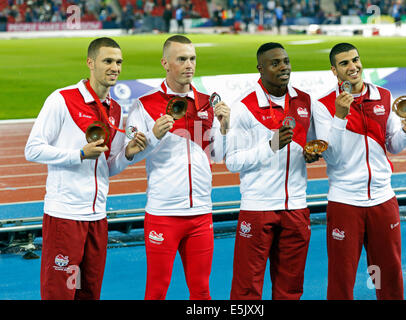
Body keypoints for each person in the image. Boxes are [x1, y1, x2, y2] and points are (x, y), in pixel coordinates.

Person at [24, 37, 147, 300]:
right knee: (60, 293)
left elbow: (107, 167)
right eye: (108, 61)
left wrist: (127, 154)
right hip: (65, 215)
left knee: (88, 292)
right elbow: (32, 149)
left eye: (118, 62)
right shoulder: (62, 99)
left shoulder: (114, 109)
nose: (115, 67)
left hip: (97, 217)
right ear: (90, 63)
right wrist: (78, 154)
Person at [116, 35, 230, 300]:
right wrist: (155, 134)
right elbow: (129, 154)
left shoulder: (207, 103)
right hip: (163, 213)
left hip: (201, 212)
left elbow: (217, 154)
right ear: (165, 63)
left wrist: (224, 127)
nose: (189, 65)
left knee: (202, 292)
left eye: (192, 59)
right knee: (156, 291)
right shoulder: (144, 105)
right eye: (182, 59)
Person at [313, 42, 406, 300]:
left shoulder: (383, 96)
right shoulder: (324, 105)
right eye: (344, 63)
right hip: (345, 202)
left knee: (388, 274)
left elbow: (393, 146)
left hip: (383, 199)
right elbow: (331, 155)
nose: (353, 67)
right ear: (333, 70)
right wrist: (340, 116)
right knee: (342, 278)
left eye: (355, 60)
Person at [226, 42, 319, 300]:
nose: (283, 67)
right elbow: (232, 161)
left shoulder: (304, 101)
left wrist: (311, 154)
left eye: (286, 61)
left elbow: (307, 145)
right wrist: (271, 146)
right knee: (246, 289)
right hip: (258, 208)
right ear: (260, 68)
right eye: (275, 63)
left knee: (290, 289)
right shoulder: (244, 107)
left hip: (297, 206)